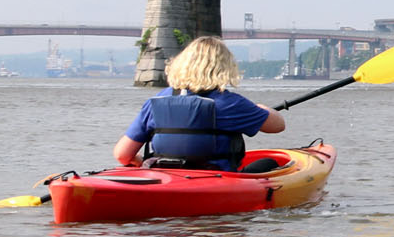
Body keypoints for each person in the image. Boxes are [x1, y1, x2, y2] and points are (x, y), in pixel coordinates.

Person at [113, 35, 286, 171]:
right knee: (269, 163)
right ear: (224, 68)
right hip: (216, 177)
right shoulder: (230, 103)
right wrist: (259, 108)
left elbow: (122, 155)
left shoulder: (157, 101)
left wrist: (142, 162)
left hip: (164, 173)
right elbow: (278, 125)